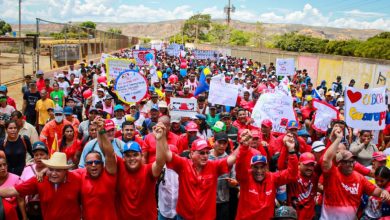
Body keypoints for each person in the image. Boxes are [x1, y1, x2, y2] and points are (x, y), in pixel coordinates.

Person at [320, 126, 390, 219]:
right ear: (339, 163)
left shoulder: (359, 178)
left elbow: (374, 190)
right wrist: (337, 139)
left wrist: (384, 192)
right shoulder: (332, 173)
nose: (350, 164)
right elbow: (325, 160)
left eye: (352, 161)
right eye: (346, 161)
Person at [165, 133, 238, 219]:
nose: (205, 156)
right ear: (192, 153)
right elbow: (166, 154)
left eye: (207, 153)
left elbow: (232, 158)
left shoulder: (213, 166)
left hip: (206, 217)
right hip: (185, 216)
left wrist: (243, 145)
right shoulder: (183, 165)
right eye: (202, 153)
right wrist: (160, 138)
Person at [235, 130, 298, 219]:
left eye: (262, 167)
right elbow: (239, 165)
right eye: (256, 167)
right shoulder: (245, 178)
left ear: (266, 167)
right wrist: (244, 147)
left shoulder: (272, 178)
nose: (259, 171)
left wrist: (291, 151)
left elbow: (292, 174)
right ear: (251, 168)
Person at [0, 152, 82, 220]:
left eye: (58, 170)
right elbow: (13, 191)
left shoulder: (77, 178)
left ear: (65, 170)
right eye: (51, 169)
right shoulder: (39, 180)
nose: (53, 173)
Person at [116, 122, 169, 219]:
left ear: (141, 155)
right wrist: (101, 132)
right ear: (123, 158)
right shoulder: (119, 168)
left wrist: (160, 139)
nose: (132, 158)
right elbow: (109, 154)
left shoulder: (148, 170)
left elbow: (160, 162)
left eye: (135, 154)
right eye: (128, 155)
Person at [75, 116, 118, 220]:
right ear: (85, 165)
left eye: (97, 162)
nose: (93, 165)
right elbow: (62, 171)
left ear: (102, 164)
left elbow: (110, 154)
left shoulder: (109, 175)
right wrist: (46, 170)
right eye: (90, 163)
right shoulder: (81, 175)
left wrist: (102, 131)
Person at [209, 132, 237, 220]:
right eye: (219, 142)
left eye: (224, 143)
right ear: (214, 141)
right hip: (207, 201)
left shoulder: (229, 159)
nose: (222, 146)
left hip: (223, 202)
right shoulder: (205, 156)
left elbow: (234, 179)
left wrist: (233, 183)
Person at [20, 141, 49, 220]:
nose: (39, 157)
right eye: (36, 155)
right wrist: (24, 216)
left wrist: (45, 170)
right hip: (31, 211)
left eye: (42, 154)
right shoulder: (27, 169)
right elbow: (20, 195)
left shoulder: (53, 170)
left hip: (49, 211)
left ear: (47, 156)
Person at [287, 152, 320, 220]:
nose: (309, 168)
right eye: (306, 165)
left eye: (311, 165)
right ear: (299, 164)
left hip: (311, 217)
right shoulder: (293, 176)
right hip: (294, 217)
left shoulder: (315, 176)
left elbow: (326, 161)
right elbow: (280, 165)